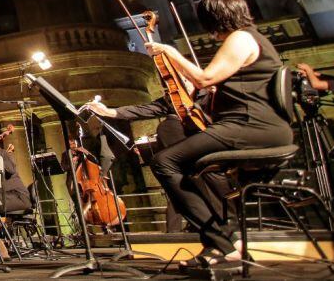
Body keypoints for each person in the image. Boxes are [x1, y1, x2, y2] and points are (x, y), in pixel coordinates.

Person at [138, 0, 292, 268]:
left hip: (250, 126)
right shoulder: (255, 39)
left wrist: (170, 52)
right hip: (259, 127)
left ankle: (223, 241)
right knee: (195, 168)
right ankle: (219, 243)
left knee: (164, 161)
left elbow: (204, 77)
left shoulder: (241, 37)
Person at [84, 89, 232, 233]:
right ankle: (211, 232)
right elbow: (145, 109)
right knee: (180, 181)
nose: (167, 86)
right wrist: (109, 112)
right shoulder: (173, 101)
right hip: (189, 151)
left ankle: (223, 229)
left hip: (220, 143)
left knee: (203, 184)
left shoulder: (213, 92)